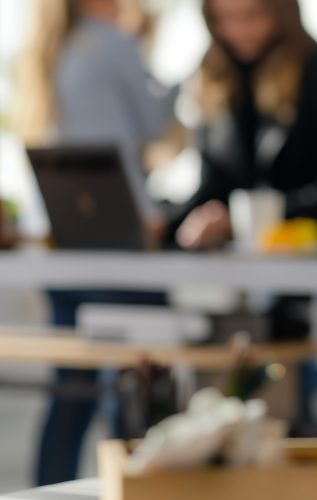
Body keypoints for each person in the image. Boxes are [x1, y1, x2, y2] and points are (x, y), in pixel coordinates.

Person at [170, 0, 317, 435]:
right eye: (226, 18)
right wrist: (171, 221)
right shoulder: (217, 78)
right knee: (277, 372)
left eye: (252, 15)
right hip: (286, 263)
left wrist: (243, 221)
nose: (240, 30)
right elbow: (214, 184)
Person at [15, 0, 178, 484]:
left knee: (74, 386)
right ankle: (145, 487)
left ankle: (48, 490)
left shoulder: (48, 48)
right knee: (142, 380)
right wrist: (173, 74)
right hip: (120, 245)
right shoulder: (112, 42)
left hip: (62, 247)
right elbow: (154, 124)